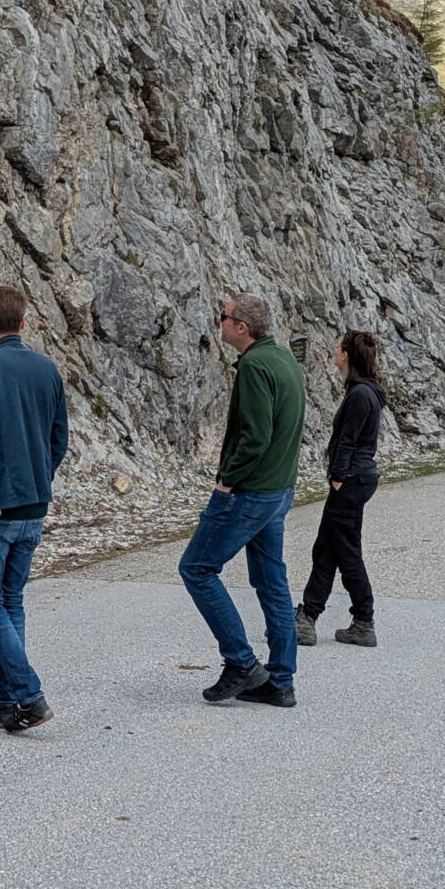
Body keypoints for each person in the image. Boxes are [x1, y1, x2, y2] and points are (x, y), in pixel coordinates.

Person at [177, 294, 307, 707]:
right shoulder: (283, 358)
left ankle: (241, 662)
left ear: (241, 327)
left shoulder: (254, 365)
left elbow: (255, 436)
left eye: (224, 317)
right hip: (279, 490)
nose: (219, 322)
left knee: (196, 568)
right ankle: (280, 681)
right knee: (272, 582)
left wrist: (226, 482)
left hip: (250, 492)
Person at [0, 284, 69, 733]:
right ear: (24, 321)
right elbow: (59, 438)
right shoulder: (47, 369)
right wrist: (40, 476)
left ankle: (28, 692)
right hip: (34, 504)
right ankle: (6, 701)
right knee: (11, 599)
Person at [298, 330, 386, 649]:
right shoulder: (364, 391)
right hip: (356, 479)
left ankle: (362, 621)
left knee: (345, 552)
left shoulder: (360, 395)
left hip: (350, 480)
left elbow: (348, 439)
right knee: (328, 549)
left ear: (346, 354)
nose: (334, 353)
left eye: (337, 348)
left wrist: (337, 476)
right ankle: (308, 617)